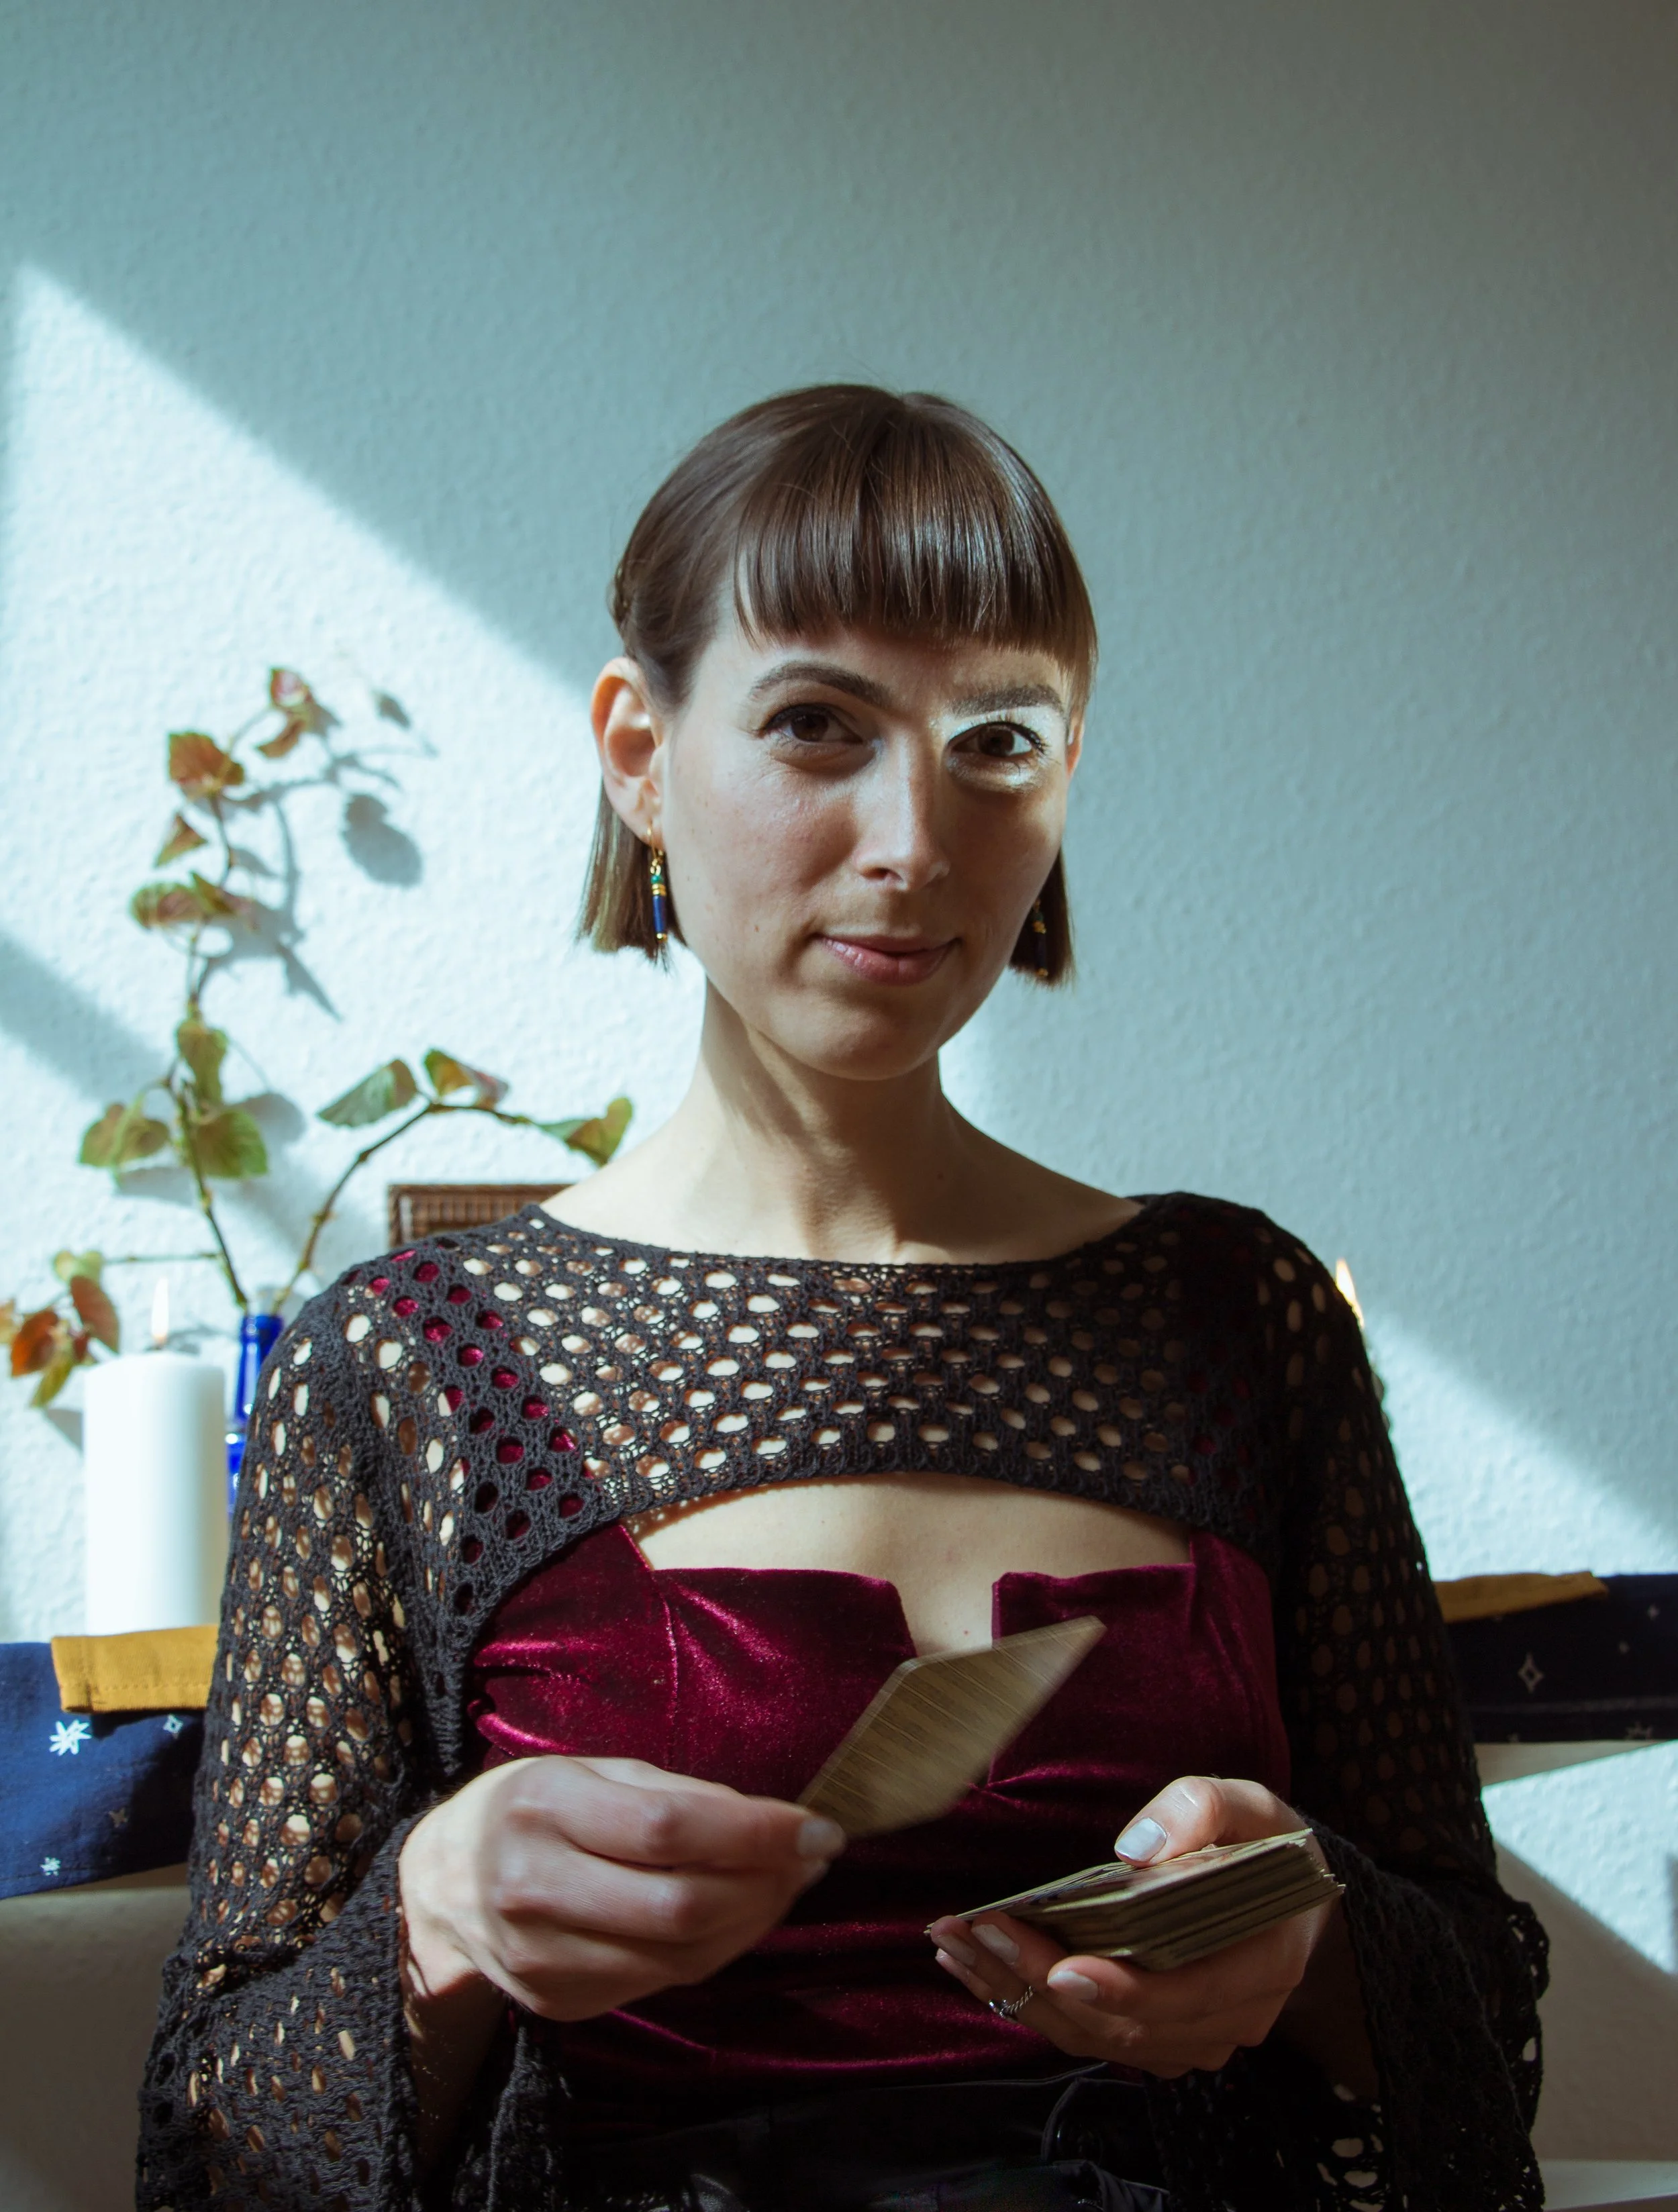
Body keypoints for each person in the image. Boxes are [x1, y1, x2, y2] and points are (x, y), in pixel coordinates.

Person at [138, 387, 1546, 2212]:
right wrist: (441, 1913)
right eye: (817, 726)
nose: (913, 840)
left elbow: (1471, 2011)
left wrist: (1308, 1936)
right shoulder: (412, 1368)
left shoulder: (1237, 1320)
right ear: (638, 750)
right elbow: (215, 2136)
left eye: (997, 744)